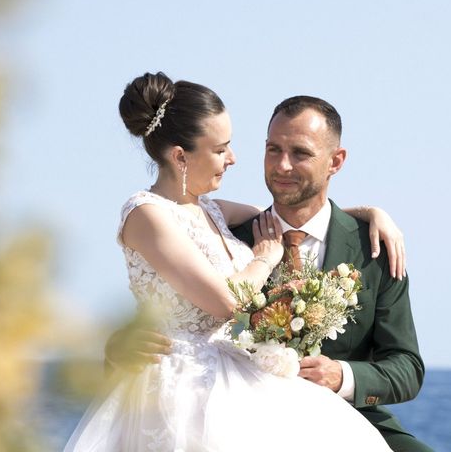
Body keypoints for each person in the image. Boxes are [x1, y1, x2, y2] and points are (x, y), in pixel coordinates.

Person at [64, 72, 401, 451]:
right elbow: (225, 303)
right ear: (180, 157)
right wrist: (263, 258)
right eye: (220, 149)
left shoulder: (212, 210)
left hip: (229, 374)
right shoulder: (146, 214)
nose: (233, 158)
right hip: (178, 388)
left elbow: (291, 214)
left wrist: (369, 213)